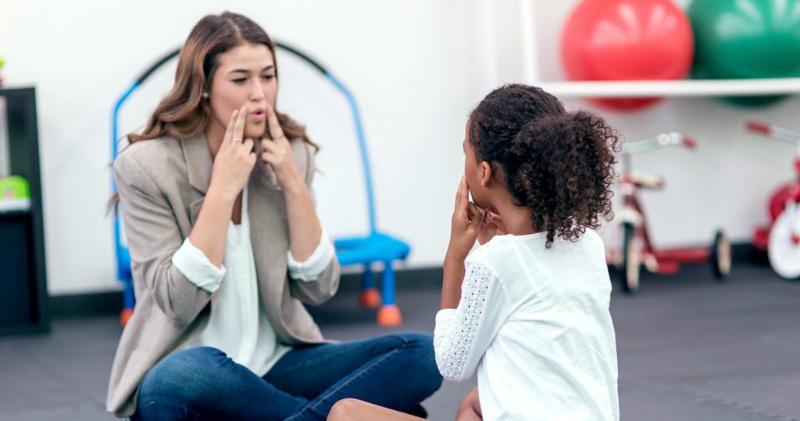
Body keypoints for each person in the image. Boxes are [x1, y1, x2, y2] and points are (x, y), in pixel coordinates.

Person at [106, 12, 441, 421]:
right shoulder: (146, 166)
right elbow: (178, 302)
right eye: (240, 79)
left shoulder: (292, 152)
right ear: (204, 87)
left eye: (268, 76)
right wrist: (222, 189)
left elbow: (318, 288)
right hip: (192, 366)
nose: (259, 93)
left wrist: (291, 183)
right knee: (181, 375)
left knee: (422, 355)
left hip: (277, 366)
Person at [327, 84, 620, 420]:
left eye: (465, 151)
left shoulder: (494, 262)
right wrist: (495, 244)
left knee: (345, 413)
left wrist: (456, 256)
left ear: (483, 172)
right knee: (474, 403)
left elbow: (451, 364)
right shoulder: (588, 246)